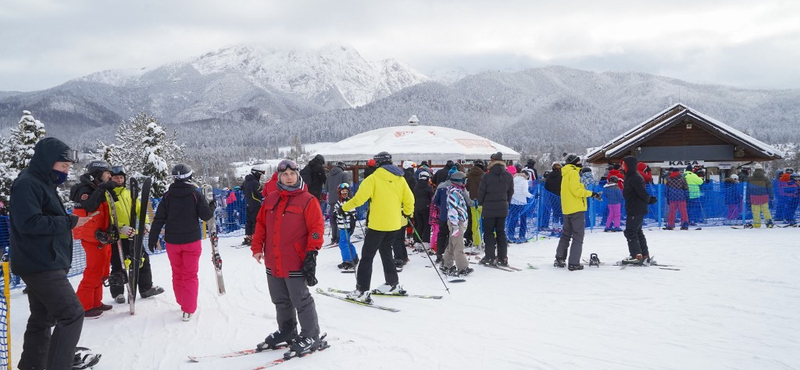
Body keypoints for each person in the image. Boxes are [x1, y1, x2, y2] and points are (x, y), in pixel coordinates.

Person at [10, 137, 94, 370]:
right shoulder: (28, 184)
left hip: (44, 261)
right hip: (40, 263)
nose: (66, 172)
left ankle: (33, 366)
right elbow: (29, 222)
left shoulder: (43, 184)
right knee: (72, 313)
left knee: (42, 318)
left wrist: (70, 222)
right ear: (48, 162)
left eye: (68, 167)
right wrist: (69, 222)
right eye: (63, 166)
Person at [251, 159, 325, 356]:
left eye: (292, 174)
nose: (289, 177)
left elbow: (316, 229)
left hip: (295, 259)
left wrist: (312, 252)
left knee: (301, 300)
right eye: (285, 174)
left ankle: (311, 335)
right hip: (273, 260)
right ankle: (287, 331)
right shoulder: (270, 199)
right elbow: (260, 225)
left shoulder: (308, 200)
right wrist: (257, 247)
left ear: (298, 175)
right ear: (279, 176)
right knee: (280, 300)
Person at [342, 152, 414, 302]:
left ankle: (362, 290)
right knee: (386, 252)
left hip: (377, 225)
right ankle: (392, 284)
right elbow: (409, 199)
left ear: (377, 164)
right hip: (394, 224)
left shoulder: (373, 178)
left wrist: (344, 208)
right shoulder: (400, 179)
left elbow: (359, 199)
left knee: (367, 257)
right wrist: (407, 212)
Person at [148, 164, 213, 321]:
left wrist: (153, 237)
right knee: (190, 274)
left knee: (177, 273)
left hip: (173, 242)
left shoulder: (167, 196)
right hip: (191, 241)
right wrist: (211, 206)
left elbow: (159, 219)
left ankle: (182, 301)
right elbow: (206, 216)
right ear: (189, 177)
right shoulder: (195, 195)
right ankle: (188, 308)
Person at [108, 165, 164, 304]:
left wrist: (145, 223)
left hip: (134, 234)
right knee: (118, 264)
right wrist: (120, 228)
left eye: (121, 177)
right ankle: (118, 293)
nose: (119, 180)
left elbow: (140, 209)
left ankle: (146, 288)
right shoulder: (107, 195)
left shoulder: (129, 194)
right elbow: (108, 216)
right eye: (116, 177)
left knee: (142, 260)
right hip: (118, 236)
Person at [69, 160, 116, 317]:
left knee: (101, 271)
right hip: (91, 237)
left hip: (102, 236)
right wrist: (102, 189)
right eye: (107, 173)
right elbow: (89, 206)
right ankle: (83, 305)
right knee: (93, 271)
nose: (110, 176)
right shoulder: (85, 189)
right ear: (98, 173)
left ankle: (96, 302)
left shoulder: (96, 187)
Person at [554, 154, 598, 270]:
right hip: (576, 208)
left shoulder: (565, 173)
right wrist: (591, 193)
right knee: (578, 236)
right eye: (578, 161)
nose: (580, 163)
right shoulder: (573, 173)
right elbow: (576, 191)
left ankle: (560, 258)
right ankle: (574, 262)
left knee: (566, 235)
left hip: (567, 208)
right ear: (574, 163)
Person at [478, 152, 514, 266]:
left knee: (488, 232)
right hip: (503, 207)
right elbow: (510, 192)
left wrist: (481, 202)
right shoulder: (508, 175)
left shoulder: (486, 176)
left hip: (489, 208)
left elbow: (481, 192)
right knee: (501, 232)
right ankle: (503, 257)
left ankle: (489, 256)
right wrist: (506, 201)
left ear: (492, 161)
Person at [621, 156, 658, 264]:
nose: (622, 166)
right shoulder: (629, 176)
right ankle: (644, 254)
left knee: (630, 232)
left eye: (624, 164)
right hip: (634, 207)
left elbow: (641, 192)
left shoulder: (635, 177)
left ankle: (636, 255)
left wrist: (649, 199)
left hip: (636, 208)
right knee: (637, 231)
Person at [441, 171, 474, 276]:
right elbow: (452, 210)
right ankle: (463, 267)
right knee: (458, 245)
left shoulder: (459, 191)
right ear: (458, 181)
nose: (465, 182)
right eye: (464, 180)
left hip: (458, 222)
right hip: (455, 222)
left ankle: (446, 264)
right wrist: (455, 225)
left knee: (452, 244)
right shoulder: (454, 193)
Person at [333, 183, 359, 270]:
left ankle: (348, 261)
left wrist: (345, 213)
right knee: (347, 242)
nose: (344, 193)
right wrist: (335, 215)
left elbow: (354, 213)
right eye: (343, 192)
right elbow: (336, 211)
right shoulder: (338, 203)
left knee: (343, 243)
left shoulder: (349, 202)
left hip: (347, 226)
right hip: (341, 226)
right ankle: (354, 257)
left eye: (346, 192)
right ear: (339, 193)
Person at [324, 161, 351, 244]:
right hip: (341, 199)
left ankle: (334, 237)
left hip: (331, 200)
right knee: (341, 218)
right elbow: (346, 187)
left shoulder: (329, 175)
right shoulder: (343, 174)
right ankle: (339, 237)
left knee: (333, 218)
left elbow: (326, 188)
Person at [242, 166, 265, 246]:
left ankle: (248, 236)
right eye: (260, 174)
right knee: (256, 220)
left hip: (248, 203)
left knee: (249, 220)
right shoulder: (255, 182)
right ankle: (255, 237)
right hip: (256, 203)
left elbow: (242, 189)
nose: (260, 176)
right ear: (257, 173)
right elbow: (260, 192)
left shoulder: (246, 181)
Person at [746, 163, 774, 228]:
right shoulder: (765, 178)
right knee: (766, 211)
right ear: (761, 169)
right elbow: (769, 188)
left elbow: (747, 189)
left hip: (754, 197)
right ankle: (769, 223)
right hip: (764, 197)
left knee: (755, 212)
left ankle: (757, 224)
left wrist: (748, 198)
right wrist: (771, 196)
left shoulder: (750, 179)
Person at [465, 160, 485, 248]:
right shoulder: (484, 175)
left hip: (472, 200)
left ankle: (473, 239)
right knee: (483, 221)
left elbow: (467, 188)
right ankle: (483, 239)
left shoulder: (468, 175)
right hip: (482, 201)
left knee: (473, 222)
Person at [509, 169, 532, 242]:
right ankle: (522, 235)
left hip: (513, 202)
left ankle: (511, 235)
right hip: (522, 202)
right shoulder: (525, 181)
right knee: (523, 219)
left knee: (513, 219)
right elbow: (525, 192)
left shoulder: (513, 179)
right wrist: (532, 196)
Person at [412, 170, 433, 248]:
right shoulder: (428, 187)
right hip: (426, 208)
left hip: (416, 207)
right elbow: (432, 197)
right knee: (426, 225)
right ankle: (425, 241)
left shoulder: (416, 186)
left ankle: (417, 240)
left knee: (419, 224)